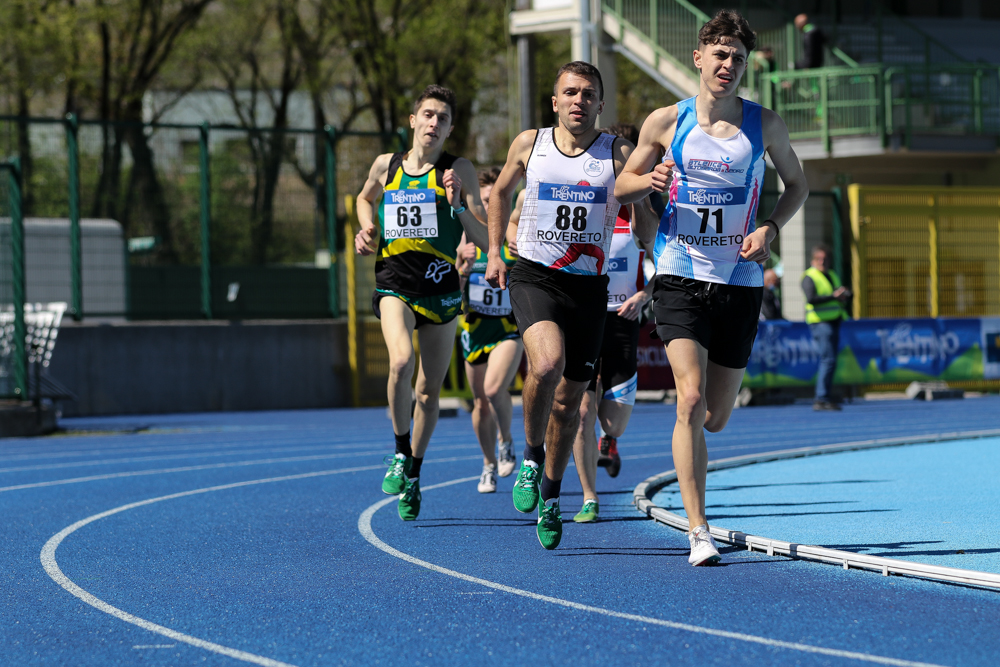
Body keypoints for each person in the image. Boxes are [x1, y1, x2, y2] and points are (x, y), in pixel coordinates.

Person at [615, 10, 809, 565]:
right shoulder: (665, 121)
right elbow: (622, 185)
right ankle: (698, 530)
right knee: (691, 398)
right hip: (678, 274)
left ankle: (690, 444)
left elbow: (798, 184)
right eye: (720, 55)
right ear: (699, 57)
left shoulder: (764, 125)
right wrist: (646, 179)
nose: (728, 65)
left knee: (715, 417)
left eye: (738, 59)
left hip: (739, 281)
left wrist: (770, 227)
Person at [485, 61, 657, 550]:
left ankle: (552, 494)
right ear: (555, 101)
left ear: (600, 103)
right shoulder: (530, 143)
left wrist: (647, 206)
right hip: (535, 275)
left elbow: (643, 224)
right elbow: (500, 193)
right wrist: (495, 251)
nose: (579, 100)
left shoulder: (618, 152)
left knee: (569, 403)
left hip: (589, 288)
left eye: (588, 94)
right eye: (570, 92)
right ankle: (531, 458)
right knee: (547, 364)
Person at [355, 84, 489, 521]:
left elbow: (486, 238)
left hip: (440, 288)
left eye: (442, 118)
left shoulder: (459, 169)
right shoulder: (387, 165)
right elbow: (364, 198)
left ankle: (413, 471)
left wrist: (458, 206)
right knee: (399, 361)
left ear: (450, 129)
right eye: (428, 115)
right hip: (394, 282)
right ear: (413, 121)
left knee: (428, 392)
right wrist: (366, 229)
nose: (434, 123)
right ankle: (399, 450)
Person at [569, 122, 651, 524]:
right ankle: (589, 497)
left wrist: (645, 295)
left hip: (623, 320)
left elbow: (667, 262)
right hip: (585, 317)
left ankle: (610, 440)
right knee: (581, 413)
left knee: (611, 421)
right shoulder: (585, 201)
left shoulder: (640, 212)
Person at [455, 168, 524, 493]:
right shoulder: (465, 238)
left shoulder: (514, 235)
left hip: (508, 327)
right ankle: (487, 464)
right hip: (476, 326)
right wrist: (462, 271)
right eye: (485, 199)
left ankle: (506, 440)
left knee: (495, 390)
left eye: (497, 198)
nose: (491, 204)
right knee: (480, 402)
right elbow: (454, 298)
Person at [801, 244, 850, 411]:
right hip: (820, 323)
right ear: (813, 260)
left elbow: (836, 294)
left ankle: (825, 395)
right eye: (819, 259)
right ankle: (821, 398)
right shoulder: (809, 276)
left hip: (834, 321)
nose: (822, 262)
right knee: (827, 360)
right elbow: (811, 299)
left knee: (831, 360)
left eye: (825, 259)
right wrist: (833, 296)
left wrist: (844, 295)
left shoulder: (831, 274)